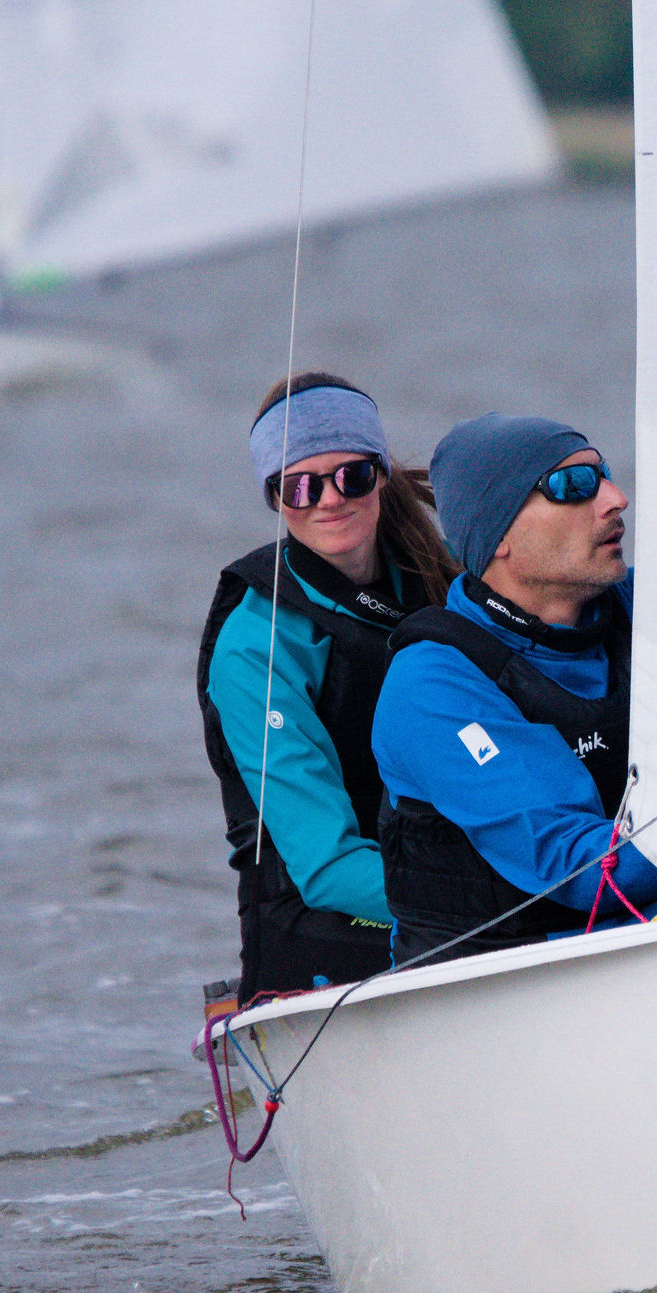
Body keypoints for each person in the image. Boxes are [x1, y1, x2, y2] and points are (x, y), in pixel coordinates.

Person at [372, 413, 657, 965]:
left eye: (604, 475)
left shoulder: (649, 606)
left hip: (648, 947)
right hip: (499, 982)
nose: (616, 499)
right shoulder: (432, 685)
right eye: (574, 486)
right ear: (501, 539)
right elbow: (582, 868)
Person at [196, 372, 457, 1000]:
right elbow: (327, 868)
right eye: (300, 486)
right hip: (318, 915)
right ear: (275, 498)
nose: (330, 499)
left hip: (446, 883)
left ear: (381, 475)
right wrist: (491, 898)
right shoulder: (254, 646)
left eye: (353, 476)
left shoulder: (442, 582)